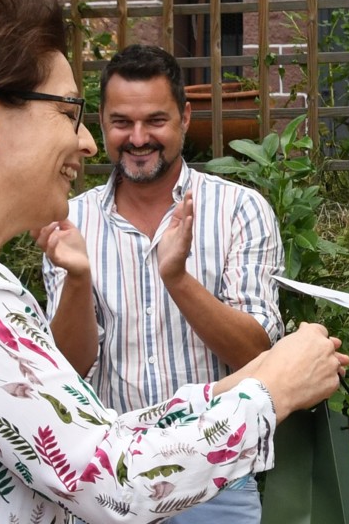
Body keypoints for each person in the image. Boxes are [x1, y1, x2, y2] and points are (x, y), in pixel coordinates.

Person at [0, 0, 349, 523]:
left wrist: (248, 380)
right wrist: (272, 392)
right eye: (70, 112)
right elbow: (114, 480)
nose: (88, 142)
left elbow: (86, 436)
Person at [41, 43, 282, 523]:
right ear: (101, 124)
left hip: (218, 472)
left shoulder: (240, 210)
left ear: (185, 117)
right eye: (121, 122)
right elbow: (67, 368)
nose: (137, 138)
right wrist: (78, 279)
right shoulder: (72, 220)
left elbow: (258, 356)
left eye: (155, 120)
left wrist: (177, 279)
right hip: (111, 475)